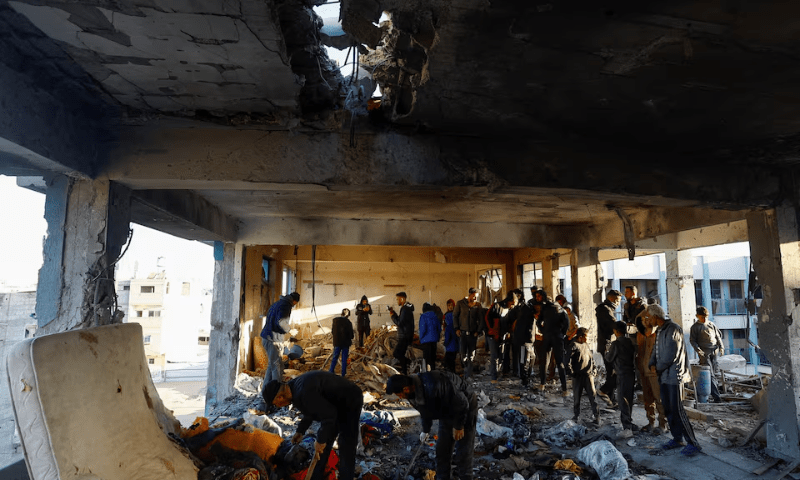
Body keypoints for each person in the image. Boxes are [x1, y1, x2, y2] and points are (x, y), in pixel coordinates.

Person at [263, 371, 362, 480]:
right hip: (334, 405)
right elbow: (310, 412)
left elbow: (329, 417)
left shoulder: (303, 392)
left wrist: (320, 440)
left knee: (345, 444)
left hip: (350, 400)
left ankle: (346, 477)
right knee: (324, 444)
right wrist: (300, 431)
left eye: (275, 404)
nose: (278, 406)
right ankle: (316, 476)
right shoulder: (293, 390)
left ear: (279, 398)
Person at [386, 371, 477, 480]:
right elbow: (424, 411)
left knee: (463, 452)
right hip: (446, 410)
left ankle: (466, 477)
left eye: (399, 394)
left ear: (405, 389)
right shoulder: (412, 393)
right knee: (442, 450)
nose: (400, 397)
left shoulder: (435, 385)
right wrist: (425, 430)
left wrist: (458, 426)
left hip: (465, 408)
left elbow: (462, 402)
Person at [647, 304, 701, 456]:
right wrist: (651, 363)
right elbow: (655, 350)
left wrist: (656, 368)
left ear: (656, 316)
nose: (648, 320)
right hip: (664, 375)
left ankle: (693, 443)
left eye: (649, 317)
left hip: (674, 376)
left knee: (678, 410)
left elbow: (671, 354)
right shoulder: (659, 331)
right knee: (668, 409)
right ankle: (677, 439)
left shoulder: (673, 329)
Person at [260, 292, 299, 394]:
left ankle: (265, 391)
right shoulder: (286, 306)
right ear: (294, 301)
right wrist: (290, 330)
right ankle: (276, 393)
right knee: (277, 367)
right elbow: (281, 322)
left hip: (267, 337)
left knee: (272, 365)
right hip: (273, 339)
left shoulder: (276, 304)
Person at [637, 307, 668, 434]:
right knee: (647, 398)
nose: (645, 320)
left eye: (647, 318)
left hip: (655, 372)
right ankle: (651, 422)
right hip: (644, 370)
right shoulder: (641, 334)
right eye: (643, 319)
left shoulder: (659, 333)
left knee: (659, 399)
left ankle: (663, 424)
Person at [535, 289, 570, 395]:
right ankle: (564, 389)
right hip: (557, 337)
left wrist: (542, 330)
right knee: (560, 363)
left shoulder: (544, 308)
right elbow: (567, 323)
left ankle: (542, 385)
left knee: (544, 361)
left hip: (547, 336)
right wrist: (562, 333)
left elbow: (538, 321)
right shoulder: (560, 309)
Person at [605, 321, 638, 432]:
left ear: (616, 331)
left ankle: (627, 425)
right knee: (629, 398)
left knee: (622, 399)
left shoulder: (616, 344)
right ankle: (629, 421)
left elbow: (609, 359)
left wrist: (606, 351)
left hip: (622, 374)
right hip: (631, 373)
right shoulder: (631, 342)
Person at [689, 306, 724, 403]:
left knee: (714, 373)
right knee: (710, 375)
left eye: (705, 317)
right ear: (697, 316)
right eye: (702, 317)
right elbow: (692, 340)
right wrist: (698, 350)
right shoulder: (695, 327)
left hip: (714, 351)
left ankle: (715, 395)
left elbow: (718, 336)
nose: (704, 319)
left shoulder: (711, 324)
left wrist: (721, 347)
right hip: (704, 354)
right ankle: (717, 397)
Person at [569, 327, 600, 426]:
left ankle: (597, 417)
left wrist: (594, 370)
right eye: (586, 337)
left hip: (588, 376)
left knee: (593, 398)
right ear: (580, 337)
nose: (587, 339)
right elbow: (567, 361)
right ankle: (576, 416)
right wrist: (572, 373)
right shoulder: (573, 345)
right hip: (578, 376)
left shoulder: (586, 345)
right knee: (577, 398)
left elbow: (592, 358)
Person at [596, 289, 621, 405]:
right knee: (613, 372)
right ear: (612, 298)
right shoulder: (604, 309)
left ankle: (611, 400)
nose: (618, 303)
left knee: (611, 372)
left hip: (606, 344)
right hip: (607, 345)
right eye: (618, 300)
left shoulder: (606, 309)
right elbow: (612, 325)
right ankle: (603, 390)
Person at [453, 288, 481, 380]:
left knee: (471, 355)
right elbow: (455, 316)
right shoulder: (460, 304)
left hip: (473, 334)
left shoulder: (477, 305)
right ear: (470, 295)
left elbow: (481, 320)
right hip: (463, 334)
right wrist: (457, 328)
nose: (475, 298)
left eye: (476, 296)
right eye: (474, 296)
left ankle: (468, 375)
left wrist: (478, 331)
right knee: (463, 355)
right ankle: (465, 368)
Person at [509, 289, 534, 386]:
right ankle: (524, 377)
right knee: (522, 359)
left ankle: (525, 378)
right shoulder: (518, 309)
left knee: (524, 359)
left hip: (523, 339)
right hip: (520, 338)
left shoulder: (525, 309)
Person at [388, 292, 415, 375]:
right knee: (401, 354)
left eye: (397, 299)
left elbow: (399, 322)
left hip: (404, 336)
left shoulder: (405, 309)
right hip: (406, 335)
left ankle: (407, 365)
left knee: (396, 353)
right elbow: (401, 320)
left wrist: (392, 316)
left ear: (402, 299)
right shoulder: (406, 308)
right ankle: (404, 371)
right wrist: (393, 312)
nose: (397, 301)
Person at [484, 297, 505, 381]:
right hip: (492, 336)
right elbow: (488, 319)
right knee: (494, 356)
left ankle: (498, 373)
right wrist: (492, 330)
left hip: (500, 336)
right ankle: (494, 376)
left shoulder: (505, 310)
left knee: (500, 356)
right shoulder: (495, 310)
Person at [330, 308, 354, 377]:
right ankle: (343, 374)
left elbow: (332, 332)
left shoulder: (335, 321)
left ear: (341, 313)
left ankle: (331, 371)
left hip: (337, 343)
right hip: (345, 344)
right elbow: (351, 336)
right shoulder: (348, 323)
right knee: (344, 359)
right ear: (348, 315)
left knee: (335, 357)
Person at [419, 302, 440, 371]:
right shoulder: (435, 316)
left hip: (426, 341)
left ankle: (428, 375)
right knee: (433, 359)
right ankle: (434, 374)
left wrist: (420, 338)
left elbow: (423, 329)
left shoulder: (423, 316)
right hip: (434, 340)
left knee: (427, 360)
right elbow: (439, 328)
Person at [443, 299, 459, 372]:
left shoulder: (451, 316)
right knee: (451, 361)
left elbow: (448, 332)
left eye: (451, 305)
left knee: (449, 362)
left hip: (451, 344)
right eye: (448, 305)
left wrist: (446, 342)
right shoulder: (450, 315)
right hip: (454, 343)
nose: (450, 307)